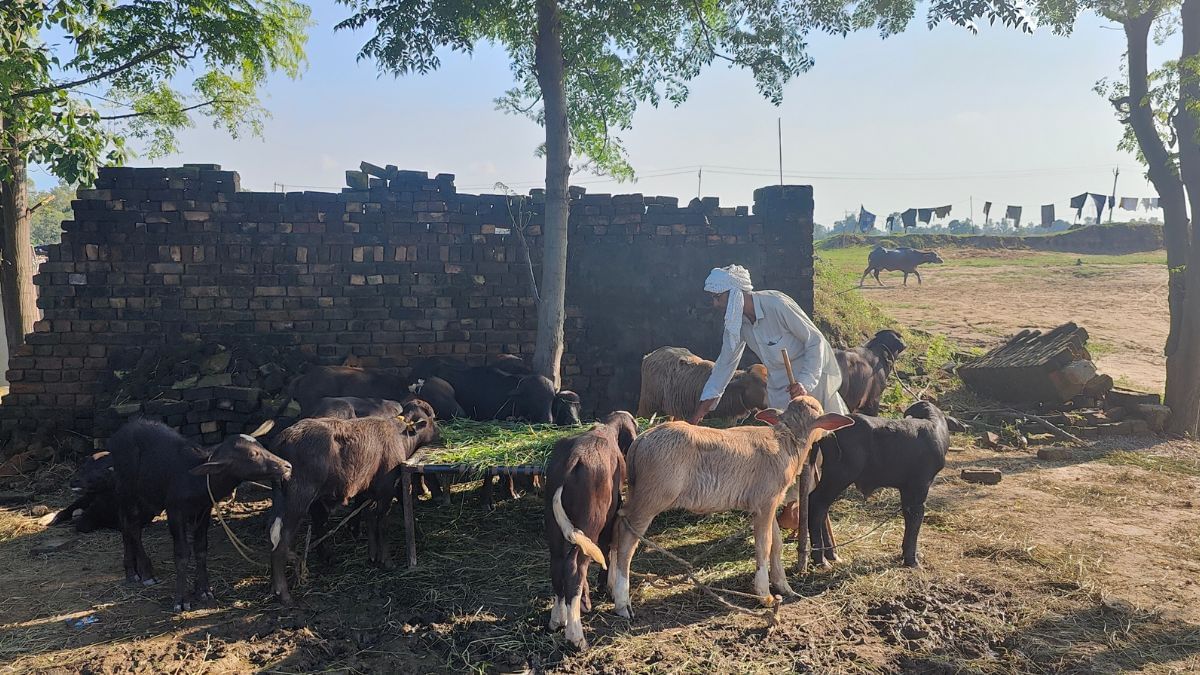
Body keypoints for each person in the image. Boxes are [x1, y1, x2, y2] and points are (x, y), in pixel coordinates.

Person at [689, 264, 847, 425]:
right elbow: (725, 363)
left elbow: (815, 340)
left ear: (735, 294)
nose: (716, 304)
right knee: (786, 438)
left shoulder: (777, 304)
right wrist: (702, 409)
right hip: (778, 386)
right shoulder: (736, 323)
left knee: (823, 432)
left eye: (718, 297)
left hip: (810, 376)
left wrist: (805, 382)